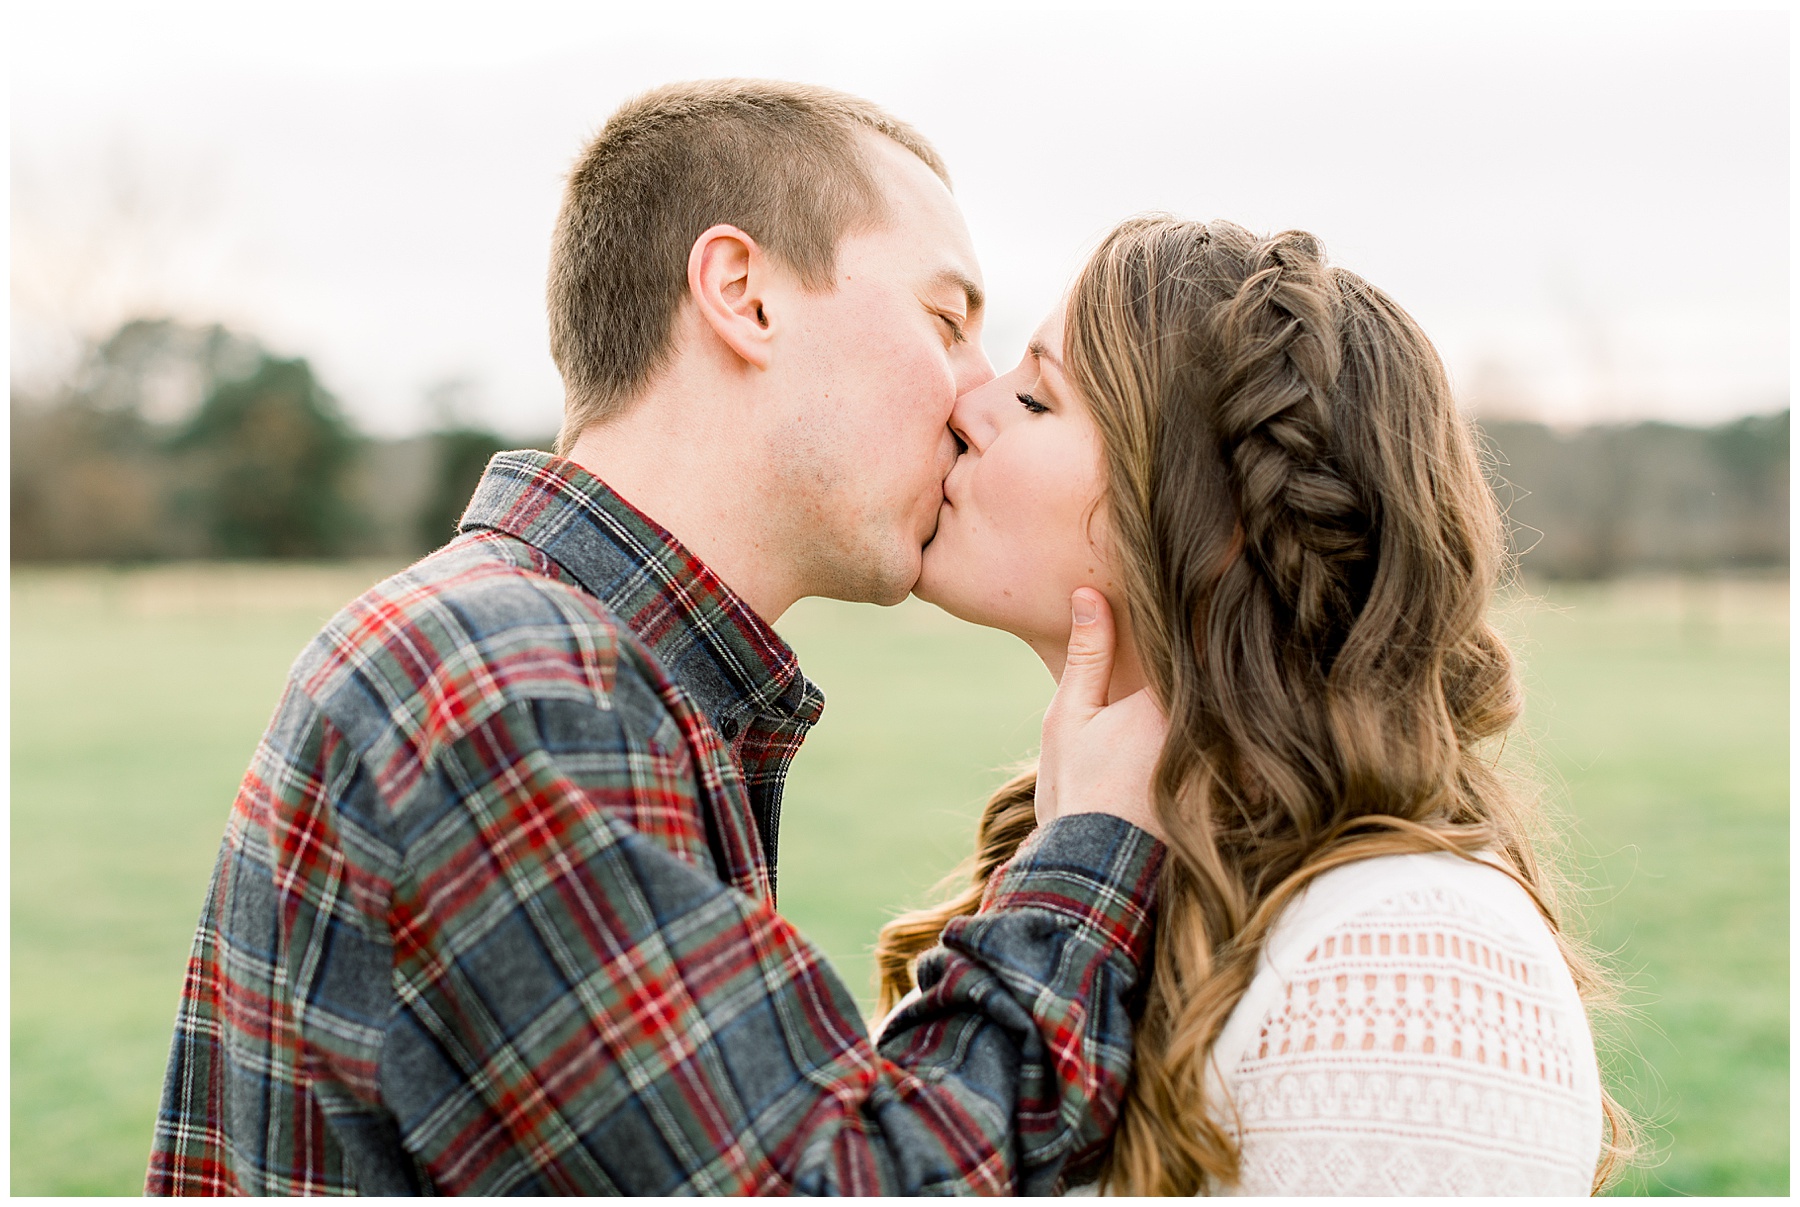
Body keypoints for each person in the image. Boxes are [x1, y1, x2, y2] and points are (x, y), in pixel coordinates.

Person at [145, 80, 1168, 1196]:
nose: (977, 398)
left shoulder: (547, 652)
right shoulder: (520, 683)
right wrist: (1094, 849)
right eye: (945, 319)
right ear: (745, 294)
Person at [879, 216, 1638, 1194]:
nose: (965, 405)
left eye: (1034, 397)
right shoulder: (1099, 850)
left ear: (1222, 523)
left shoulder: (1413, 966)